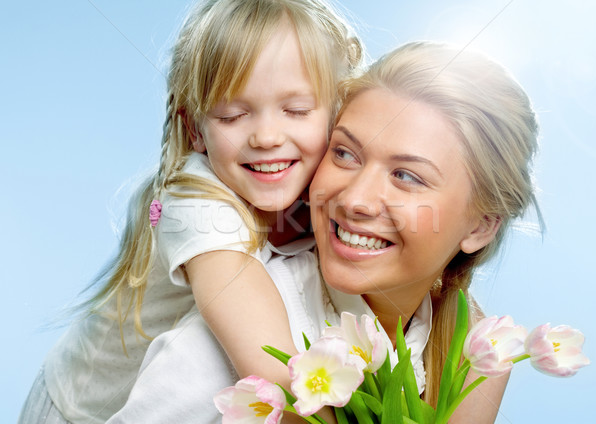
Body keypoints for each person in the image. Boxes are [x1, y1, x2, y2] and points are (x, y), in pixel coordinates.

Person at [18, 1, 361, 423]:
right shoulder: (196, 202)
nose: (268, 136)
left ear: (338, 114)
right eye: (234, 115)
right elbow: (274, 372)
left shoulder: (329, 184)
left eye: (296, 111)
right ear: (196, 130)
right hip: (80, 409)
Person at [307, 41, 542, 422]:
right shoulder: (256, 296)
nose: (354, 200)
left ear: (481, 226)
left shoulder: (472, 356)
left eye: (406, 177)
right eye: (345, 153)